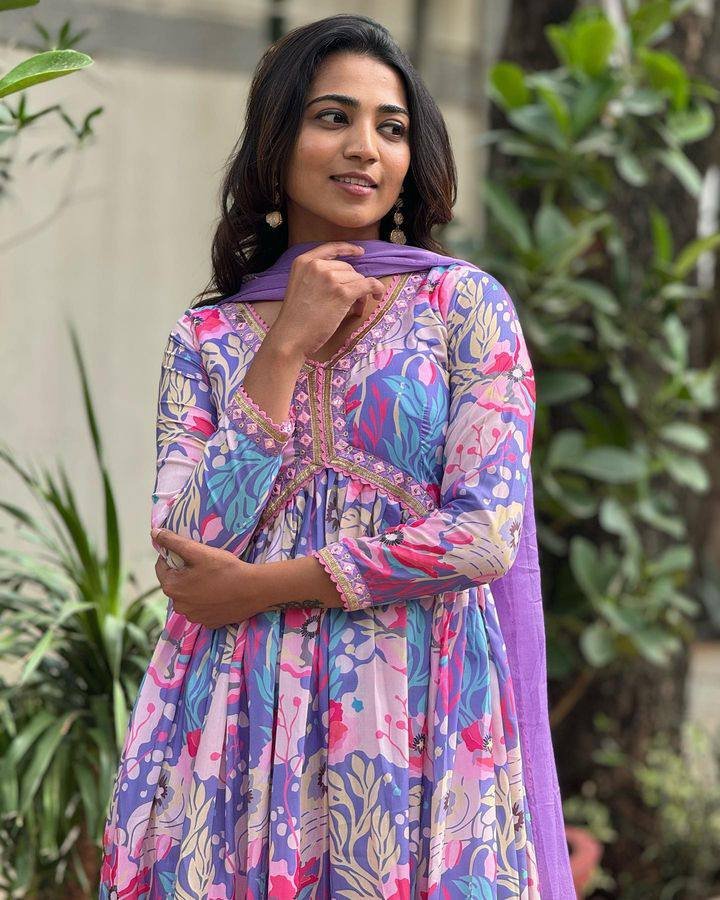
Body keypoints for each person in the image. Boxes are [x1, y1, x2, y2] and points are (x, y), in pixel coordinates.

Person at [99, 13, 574, 899]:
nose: (364, 147)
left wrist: (267, 586)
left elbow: (482, 536)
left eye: (391, 128)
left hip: (418, 709)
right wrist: (285, 344)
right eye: (333, 117)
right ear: (276, 142)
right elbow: (190, 547)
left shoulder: (462, 306)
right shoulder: (205, 337)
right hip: (236, 718)